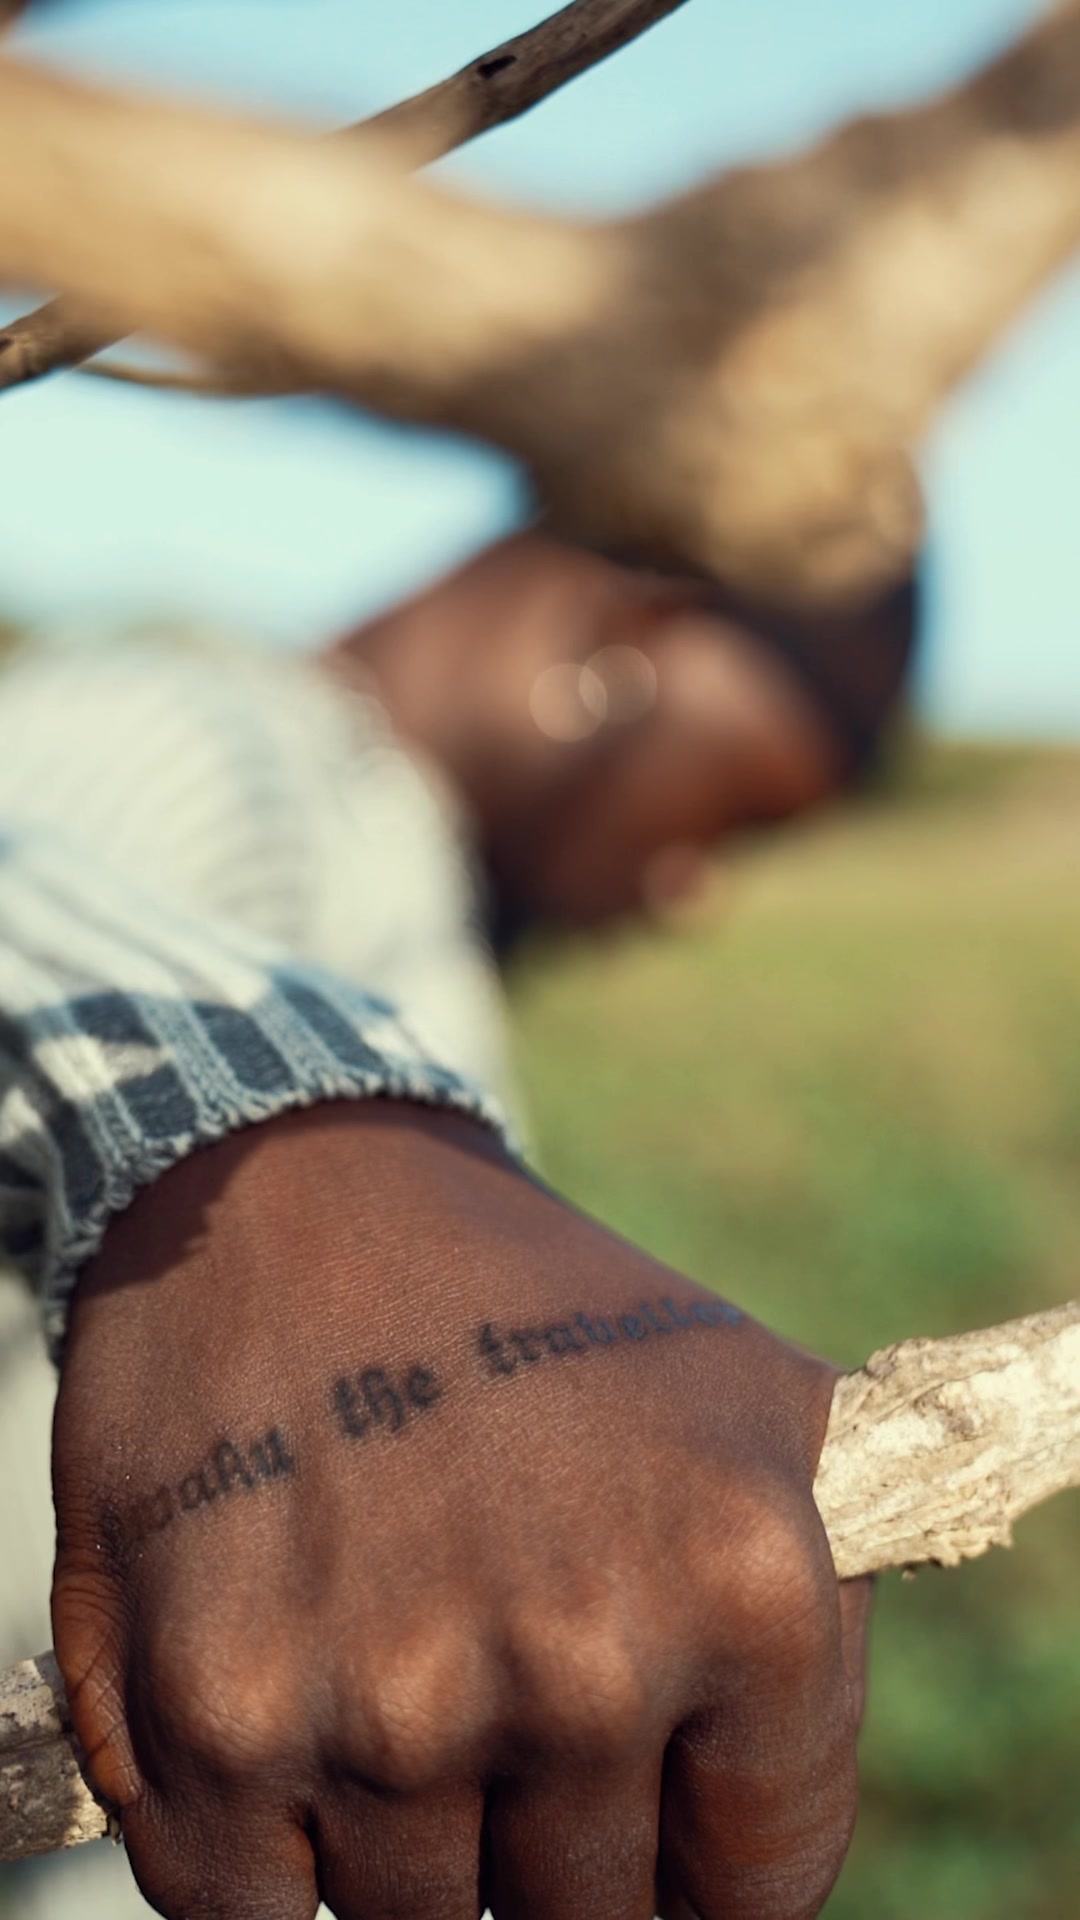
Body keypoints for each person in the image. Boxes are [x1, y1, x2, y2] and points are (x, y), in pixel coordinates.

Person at [0, 530, 916, 1920]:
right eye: (738, 817)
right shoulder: (218, 733)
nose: (691, 893)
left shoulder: (407, 868)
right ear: (630, 640)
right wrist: (261, 1124)